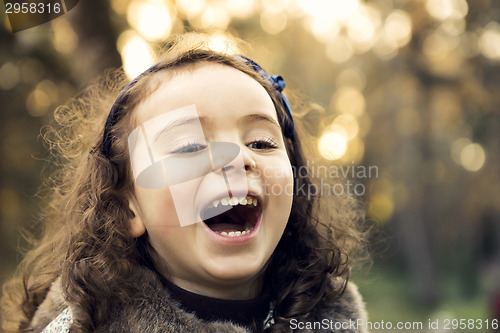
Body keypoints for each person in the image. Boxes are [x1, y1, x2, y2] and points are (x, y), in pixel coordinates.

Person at [0, 34, 368, 333]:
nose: (236, 157)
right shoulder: (81, 325)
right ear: (128, 208)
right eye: (189, 146)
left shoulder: (331, 318)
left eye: (260, 142)